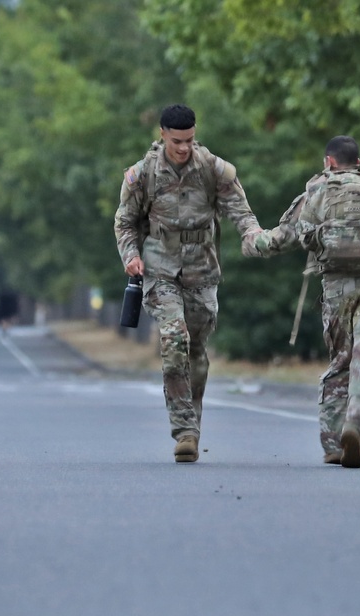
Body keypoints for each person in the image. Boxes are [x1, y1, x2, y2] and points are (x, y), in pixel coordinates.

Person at [244, 135, 360, 468]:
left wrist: (251, 241)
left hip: (336, 289)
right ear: (358, 163)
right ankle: (354, 425)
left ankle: (332, 444)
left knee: (342, 360)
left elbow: (283, 237)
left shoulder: (316, 193)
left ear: (329, 162)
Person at [114, 104, 267, 463]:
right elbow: (124, 222)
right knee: (174, 341)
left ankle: (193, 422)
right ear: (163, 134)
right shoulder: (143, 174)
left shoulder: (213, 169)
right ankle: (183, 430)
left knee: (195, 350)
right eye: (177, 141)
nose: (184, 148)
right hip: (160, 268)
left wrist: (253, 235)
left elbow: (240, 211)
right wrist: (131, 256)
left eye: (190, 140)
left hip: (202, 269)